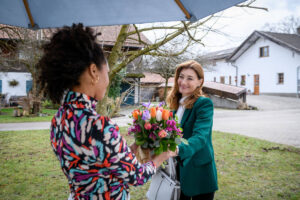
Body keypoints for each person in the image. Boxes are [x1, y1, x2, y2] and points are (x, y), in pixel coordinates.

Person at [38, 23, 174, 200]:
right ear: (94, 71)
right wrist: (161, 157)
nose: (108, 80)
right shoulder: (99, 126)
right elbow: (136, 176)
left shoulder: (58, 120)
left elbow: (97, 163)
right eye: (107, 72)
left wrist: (131, 148)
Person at [167, 60, 218, 200]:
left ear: (200, 82)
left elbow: (200, 137)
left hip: (199, 171)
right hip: (177, 170)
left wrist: (178, 149)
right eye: (181, 76)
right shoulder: (175, 105)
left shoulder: (203, 104)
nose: (183, 82)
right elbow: (175, 135)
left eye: (190, 78)